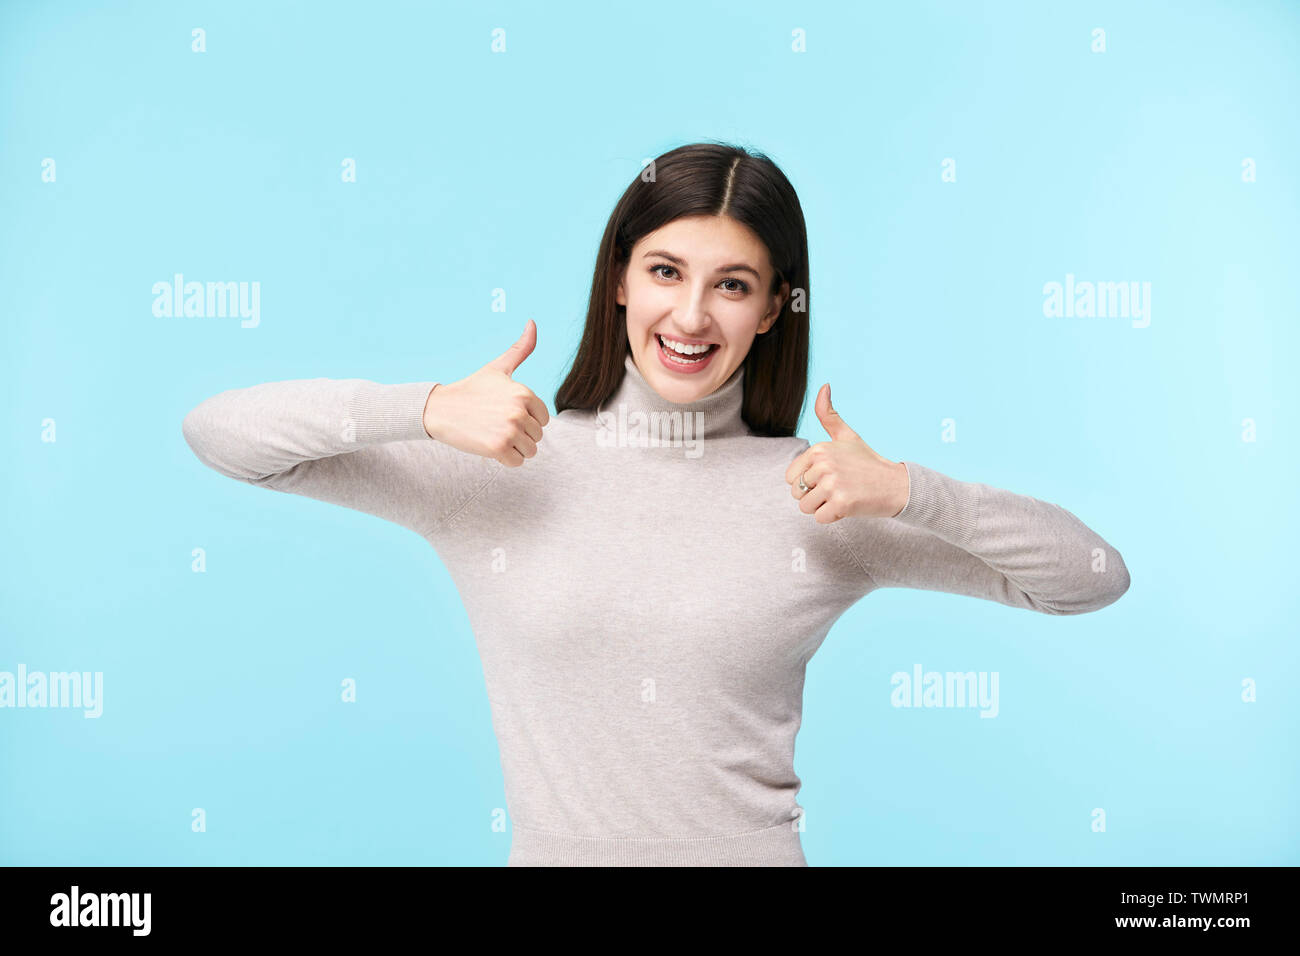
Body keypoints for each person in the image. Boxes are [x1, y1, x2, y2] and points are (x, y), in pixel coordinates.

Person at [181, 142, 1131, 866]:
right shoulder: (504, 466)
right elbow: (220, 434)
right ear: (621, 280)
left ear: (772, 310)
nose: (690, 317)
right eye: (667, 272)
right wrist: (425, 410)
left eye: (733, 286)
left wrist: (919, 495)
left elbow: (1091, 579)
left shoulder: (822, 497)